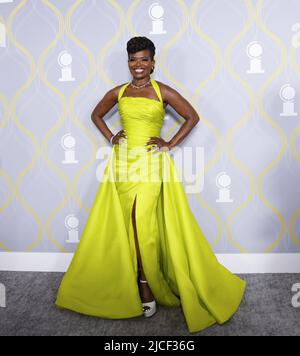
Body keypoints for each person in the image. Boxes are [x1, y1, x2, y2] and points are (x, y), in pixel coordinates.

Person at [55, 36, 246, 333]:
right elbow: (95, 114)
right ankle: (129, 278)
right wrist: (111, 136)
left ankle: (146, 285)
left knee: (142, 224)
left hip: (151, 163)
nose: (138, 65)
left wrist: (169, 143)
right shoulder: (118, 93)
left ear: (153, 62)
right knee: (125, 224)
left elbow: (192, 117)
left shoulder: (163, 91)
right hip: (122, 165)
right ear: (128, 62)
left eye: (144, 59)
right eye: (133, 59)